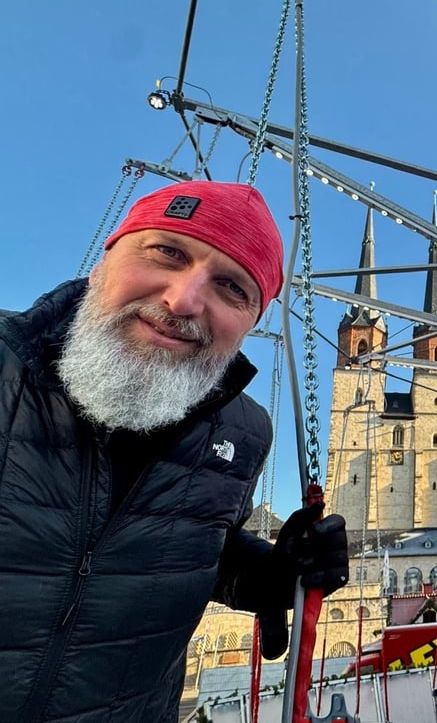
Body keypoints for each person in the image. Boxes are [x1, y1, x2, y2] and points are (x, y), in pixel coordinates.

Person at [0, 180, 349, 722]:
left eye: (232, 287)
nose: (182, 300)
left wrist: (271, 574)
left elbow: (191, 546)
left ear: (251, 322)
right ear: (105, 260)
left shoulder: (245, 431)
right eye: (167, 252)